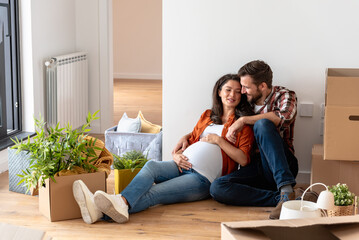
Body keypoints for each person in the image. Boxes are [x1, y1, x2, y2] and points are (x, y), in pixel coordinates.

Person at [72, 74, 254, 224]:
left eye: (238, 92)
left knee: (154, 194)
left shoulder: (242, 125)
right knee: (151, 165)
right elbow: (192, 140)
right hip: (180, 165)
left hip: (201, 179)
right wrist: (176, 155)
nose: (233, 95)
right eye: (228, 89)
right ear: (219, 92)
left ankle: (103, 209)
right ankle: (112, 205)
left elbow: (243, 159)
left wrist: (219, 140)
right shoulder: (207, 115)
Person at [209, 60, 317, 219]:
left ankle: (286, 189)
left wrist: (244, 120)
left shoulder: (285, 95)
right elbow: (220, 115)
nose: (242, 91)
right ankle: (286, 199)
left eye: (246, 87)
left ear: (262, 86)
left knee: (263, 125)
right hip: (256, 166)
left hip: (283, 165)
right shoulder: (245, 100)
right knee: (218, 187)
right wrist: (188, 137)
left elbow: (283, 117)